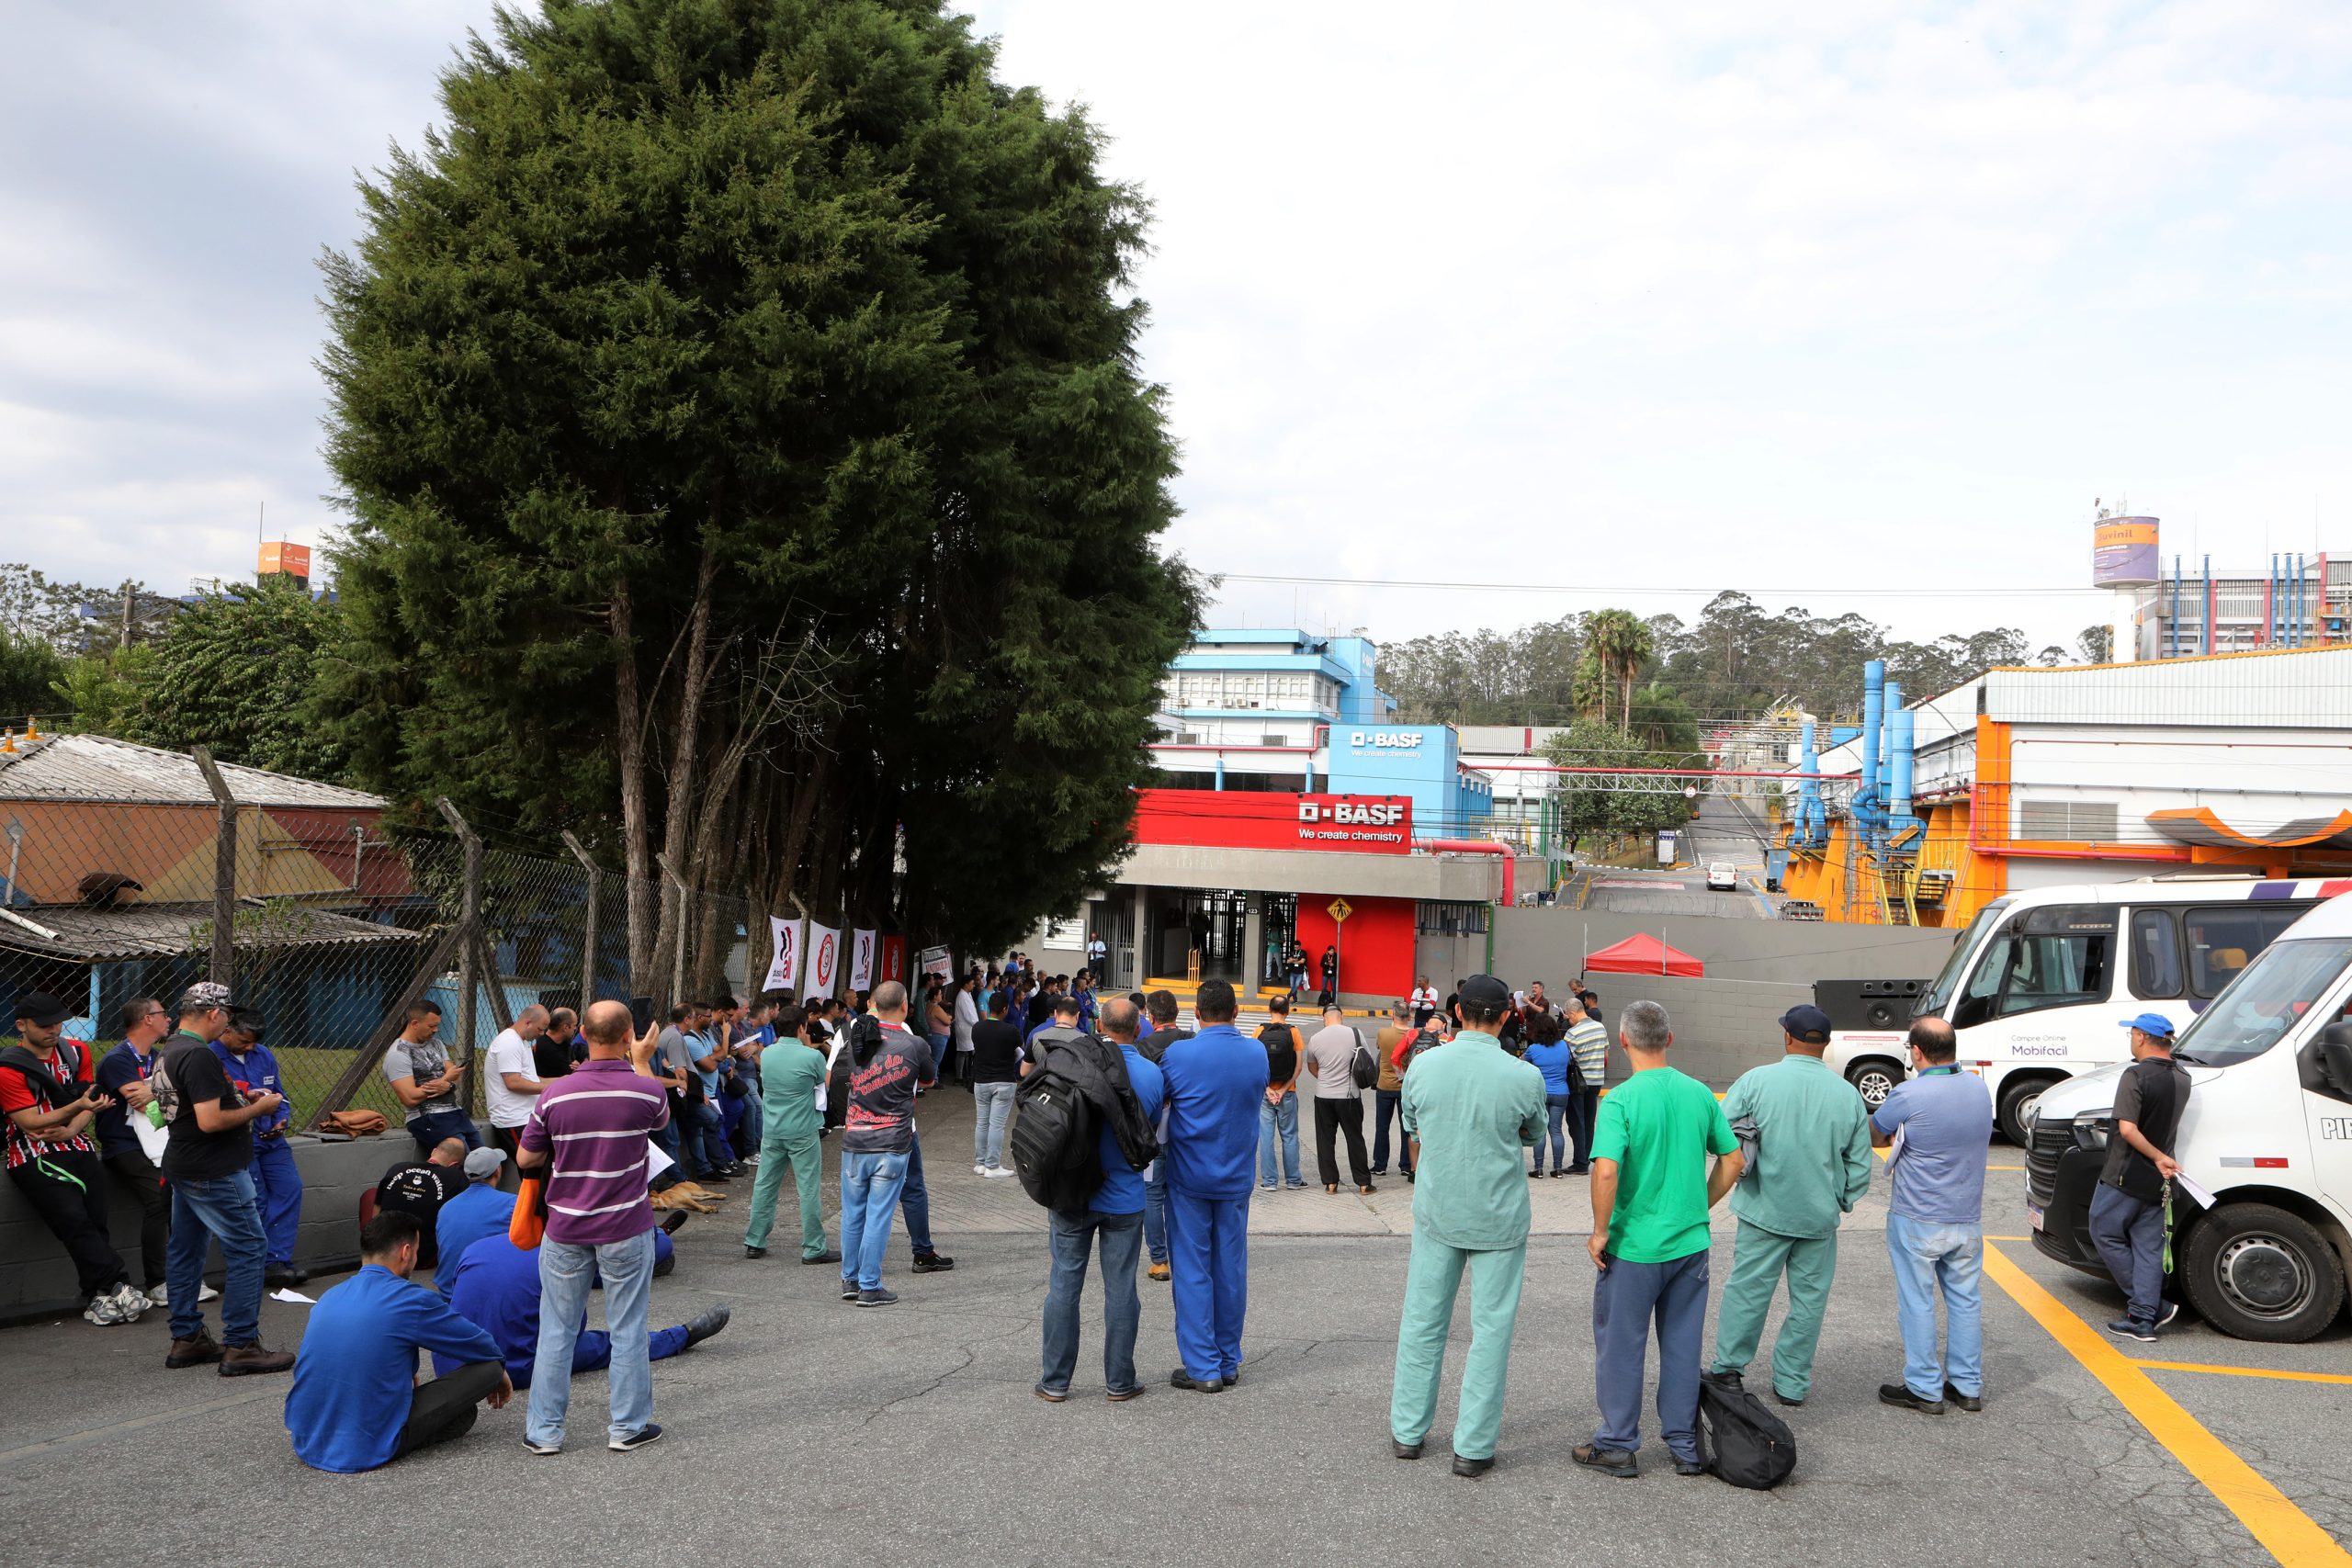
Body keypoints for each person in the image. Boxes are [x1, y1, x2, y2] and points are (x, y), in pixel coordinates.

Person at [1388, 975, 1547, 1477]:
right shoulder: (1523, 1075)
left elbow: (1412, 1124)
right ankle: (1473, 1448)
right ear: (1506, 1017)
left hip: (1438, 1210)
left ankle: (1408, 1431)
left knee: (1422, 1322)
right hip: (1498, 1217)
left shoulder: (1424, 1065)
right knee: (1491, 1331)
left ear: (1457, 1013)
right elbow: (1535, 1133)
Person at [1576, 999, 1741, 1479]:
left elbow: (1606, 1170)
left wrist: (1601, 1230)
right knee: (1683, 1345)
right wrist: (1697, 1207)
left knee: (1622, 1344)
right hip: (1690, 1246)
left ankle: (1619, 1444)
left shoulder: (1622, 1100)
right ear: (1669, 1040)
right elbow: (1732, 1161)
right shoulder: (1700, 1094)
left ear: (1623, 1041)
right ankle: (1685, 1446)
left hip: (1635, 1247)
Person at [516, 998, 672, 1453]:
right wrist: (642, 1060)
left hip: (565, 1227)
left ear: (582, 1032)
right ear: (628, 1036)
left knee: (557, 1329)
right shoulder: (645, 1092)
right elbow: (660, 1121)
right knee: (628, 1327)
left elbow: (527, 1157)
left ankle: (544, 1432)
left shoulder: (555, 1094)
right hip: (626, 1226)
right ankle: (628, 1427)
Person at [1707, 1005, 1873, 1408]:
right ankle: (1792, 1383)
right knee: (1809, 1302)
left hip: (1764, 1210)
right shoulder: (1848, 1094)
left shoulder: (1757, 1081)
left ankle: (1729, 1369)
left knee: (1747, 1292)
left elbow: (1719, 1134)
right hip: (1818, 1218)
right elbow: (1860, 1163)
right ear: (1827, 1044)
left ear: (1787, 1037)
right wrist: (1842, 1198)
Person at [283, 1211, 509, 1471]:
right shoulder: (411, 1299)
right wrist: (499, 1371)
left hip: (307, 1439)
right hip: (365, 1448)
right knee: (488, 1370)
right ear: (405, 1252)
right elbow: (480, 1344)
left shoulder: (330, 1296)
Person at [154, 982, 295, 1375]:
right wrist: (260, 1108)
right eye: (226, 1017)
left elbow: (194, 1106)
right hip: (214, 1169)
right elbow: (210, 1120)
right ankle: (242, 1343)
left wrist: (239, 1098)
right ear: (214, 1014)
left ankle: (187, 1338)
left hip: (184, 1164)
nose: (227, 1025)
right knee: (250, 1247)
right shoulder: (198, 1055)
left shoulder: (171, 1048)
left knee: (186, 1248)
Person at [1037, 998, 1166, 1403]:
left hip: (1072, 1194)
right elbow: (1152, 1129)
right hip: (1125, 1198)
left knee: (1063, 1286)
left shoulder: (1071, 1064)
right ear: (1139, 1028)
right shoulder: (1151, 1074)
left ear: (1098, 1025)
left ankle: (1055, 1382)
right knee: (1122, 1289)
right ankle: (1120, 1381)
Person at [1871, 1016, 1994, 1416]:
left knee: (1917, 1302)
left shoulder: (1909, 1094)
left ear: (1917, 1052)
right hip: (1967, 1218)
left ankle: (1924, 1387)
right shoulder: (1979, 1088)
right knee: (1965, 1301)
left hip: (1918, 1217)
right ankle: (1967, 1385)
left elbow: (1876, 1132)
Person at [3, 990, 148, 1326]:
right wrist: (78, 1108)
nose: (53, 1030)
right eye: (44, 1025)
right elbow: (29, 1122)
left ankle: (96, 1297)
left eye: (57, 1023)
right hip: (32, 1155)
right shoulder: (8, 1067)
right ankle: (119, 1283)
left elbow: (92, 1100)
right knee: (73, 1220)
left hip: (78, 1146)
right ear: (21, 1025)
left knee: (95, 1222)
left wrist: (73, 1127)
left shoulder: (76, 1051)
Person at [438, 1233, 726, 1392]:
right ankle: (681, 1336)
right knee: (608, 1343)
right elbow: (572, 1332)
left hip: (451, 1365)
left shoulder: (476, 1246)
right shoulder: (561, 1261)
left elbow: (454, 1301)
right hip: (515, 1369)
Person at [1158, 979, 1269, 1392]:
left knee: (1191, 1268)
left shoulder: (1179, 1053)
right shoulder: (1256, 1052)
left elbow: (1162, 1098)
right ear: (1237, 1012)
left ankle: (1202, 1366)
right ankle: (1227, 1359)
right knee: (1231, 1268)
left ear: (1197, 1014)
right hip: (1236, 1178)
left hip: (1189, 1177)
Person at [2093, 1014, 2192, 1343]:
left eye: (2131, 1034)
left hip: (2126, 1173)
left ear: (2140, 1037)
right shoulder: (2182, 1076)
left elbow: (2128, 1129)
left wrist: (2157, 1156)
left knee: (2104, 1231)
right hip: (2160, 1179)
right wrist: (2163, 1158)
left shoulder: (2135, 1075)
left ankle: (2148, 1307)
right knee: (2149, 1248)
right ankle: (2143, 1320)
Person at [839, 981, 933, 1306]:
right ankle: (869, 1285)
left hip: (854, 1139)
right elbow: (929, 1080)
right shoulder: (914, 1044)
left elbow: (844, 1074)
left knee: (853, 1213)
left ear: (874, 1004)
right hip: (892, 1141)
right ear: (905, 1006)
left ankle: (849, 1280)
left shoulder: (856, 1040)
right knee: (878, 1214)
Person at [213, 1009, 307, 1287]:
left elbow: (281, 1095)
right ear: (226, 1030)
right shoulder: (209, 1056)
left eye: (254, 1041)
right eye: (244, 1041)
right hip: (240, 1140)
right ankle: (259, 1264)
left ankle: (278, 1259)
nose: (250, 1047)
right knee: (256, 1199)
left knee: (290, 1188)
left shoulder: (263, 1055)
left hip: (272, 1141)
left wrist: (281, 1120)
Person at [744, 1004, 839, 1265]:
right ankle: (813, 1247)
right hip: (803, 1130)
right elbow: (824, 1083)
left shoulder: (769, 1054)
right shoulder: (812, 1057)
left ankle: (755, 1240)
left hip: (773, 1129)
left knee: (765, 1184)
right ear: (802, 1027)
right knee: (808, 1188)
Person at [1136, 990, 1191, 1281]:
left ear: (1150, 1016)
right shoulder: (1190, 1042)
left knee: (1153, 1197)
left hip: (1154, 1133)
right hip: (1187, 1134)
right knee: (1182, 1196)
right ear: (1177, 1014)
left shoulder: (1142, 1046)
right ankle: (1185, 1258)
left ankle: (1160, 1261)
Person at [384, 1001, 477, 1156]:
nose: (436, 1030)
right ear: (414, 1023)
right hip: (428, 1118)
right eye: (431, 1026)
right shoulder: (398, 1054)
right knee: (464, 1164)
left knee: (484, 1159)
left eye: (437, 1025)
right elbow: (409, 1098)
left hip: (455, 1113)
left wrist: (448, 1084)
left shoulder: (436, 1044)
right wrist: (446, 1081)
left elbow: (454, 1075)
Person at [1303, 1006, 1374, 1195]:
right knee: (1355, 1139)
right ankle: (1363, 1183)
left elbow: (1312, 1066)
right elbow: (1366, 1060)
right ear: (1341, 1017)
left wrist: (1327, 1080)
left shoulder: (1315, 1038)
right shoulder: (1355, 1034)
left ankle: (1330, 1183)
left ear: (1324, 1018)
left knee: (1325, 1140)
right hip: (1349, 1096)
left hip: (1324, 1096)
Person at [434, 1147, 517, 1292]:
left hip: (447, 1291)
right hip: (485, 1293)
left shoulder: (446, 1207)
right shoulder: (512, 1204)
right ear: (498, 1171)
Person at [376, 1137, 469, 1267]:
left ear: (434, 1151)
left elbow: (377, 1206)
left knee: (370, 1195)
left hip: (383, 1251)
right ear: (455, 1166)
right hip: (422, 1256)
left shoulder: (397, 1167)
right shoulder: (457, 1177)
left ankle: (374, 1239)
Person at [483, 1004, 548, 1172]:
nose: (541, 1034)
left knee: (540, 1169)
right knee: (531, 1169)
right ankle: (531, 1200)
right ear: (528, 1022)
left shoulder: (522, 1041)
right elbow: (513, 1082)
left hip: (526, 1117)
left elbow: (532, 1079)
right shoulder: (509, 1042)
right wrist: (549, 1090)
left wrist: (564, 1082)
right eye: (540, 1029)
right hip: (513, 1119)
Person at [969, 990, 1023, 1178]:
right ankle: (992, 1165)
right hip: (1004, 1080)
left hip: (981, 1081)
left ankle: (981, 1163)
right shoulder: (1011, 1031)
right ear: (1005, 1009)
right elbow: (1018, 1051)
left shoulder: (977, 1028)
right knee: (997, 1125)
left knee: (982, 1123)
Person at [1256, 997, 1306, 1191]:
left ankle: (1269, 1182)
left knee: (1266, 1137)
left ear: (1269, 1010)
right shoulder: (1294, 1032)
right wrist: (1283, 1090)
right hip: (1288, 1093)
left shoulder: (1259, 1031)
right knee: (1290, 1136)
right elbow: (1299, 1067)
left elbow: (1255, 1067)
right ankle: (1293, 1180)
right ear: (1287, 1011)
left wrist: (1268, 1090)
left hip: (1265, 1094)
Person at [1520, 1010, 1574, 1178]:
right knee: (1556, 1130)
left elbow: (1521, 1063)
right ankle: (1558, 1169)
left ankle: (1539, 1168)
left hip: (1541, 1093)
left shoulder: (1533, 1049)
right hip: (1561, 1092)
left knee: (1541, 1130)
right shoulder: (1564, 1046)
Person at [1562, 995, 1608, 1175]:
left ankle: (1580, 1163)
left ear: (1573, 1013)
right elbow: (1605, 1054)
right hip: (1596, 1081)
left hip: (1578, 1082)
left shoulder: (1572, 1033)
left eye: (1568, 1016)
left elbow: (1566, 1058)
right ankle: (1587, 1157)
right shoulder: (1600, 1027)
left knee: (1575, 1121)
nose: (1569, 1020)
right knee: (1589, 1120)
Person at [1371, 1001, 1412, 1179]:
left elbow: (1380, 1049)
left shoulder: (1383, 1033)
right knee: (1407, 1128)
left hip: (1385, 1085)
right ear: (1409, 1017)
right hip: (1407, 1086)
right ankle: (1406, 1164)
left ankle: (1380, 1165)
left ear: (1393, 1016)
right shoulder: (1413, 1035)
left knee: (1382, 1127)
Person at [533, 1007, 580, 1081]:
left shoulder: (563, 1042)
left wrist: (577, 1066)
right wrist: (579, 1069)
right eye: (574, 1025)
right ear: (566, 1027)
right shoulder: (547, 1048)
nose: (575, 1028)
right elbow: (572, 1077)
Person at [952, 974, 981, 1087]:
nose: (973, 986)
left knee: (966, 1052)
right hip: (966, 1028)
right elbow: (969, 1015)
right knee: (963, 1052)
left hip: (968, 1028)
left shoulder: (966, 994)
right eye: (972, 984)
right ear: (966, 984)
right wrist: (977, 1024)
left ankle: (965, 1075)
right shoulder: (962, 996)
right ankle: (960, 1077)